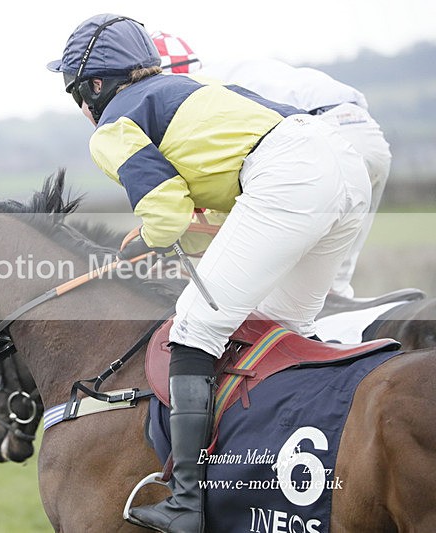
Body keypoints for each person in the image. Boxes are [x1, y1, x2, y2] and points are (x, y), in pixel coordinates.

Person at [47, 14, 370, 533]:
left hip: (289, 173)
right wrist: (158, 235)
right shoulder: (189, 89)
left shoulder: (113, 126)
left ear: (92, 87)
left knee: (194, 328)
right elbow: (224, 219)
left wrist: (151, 238)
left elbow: (168, 212)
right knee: (277, 327)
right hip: (343, 165)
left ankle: (186, 502)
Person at [151, 31, 392, 299]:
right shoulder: (238, 68)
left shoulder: (193, 91)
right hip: (367, 133)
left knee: (271, 291)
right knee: (332, 288)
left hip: (320, 140)